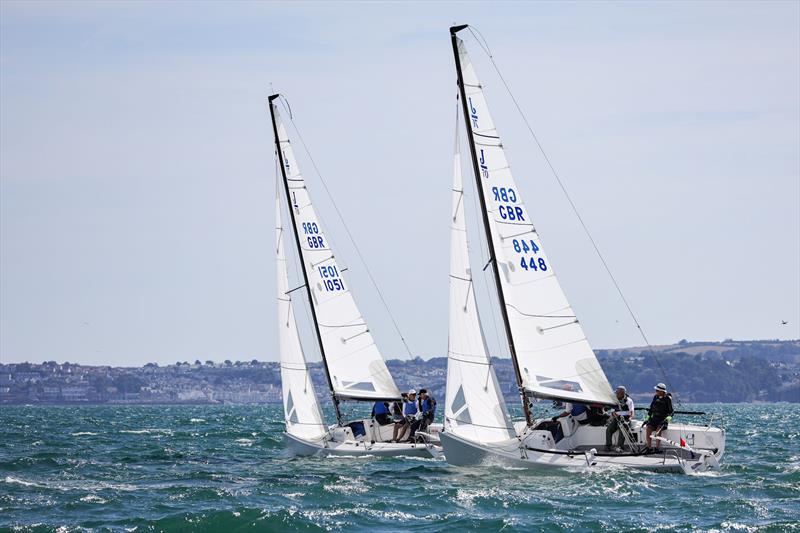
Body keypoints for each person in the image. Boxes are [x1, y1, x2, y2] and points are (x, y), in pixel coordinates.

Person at [644, 383, 674, 450]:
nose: (656, 392)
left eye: (657, 390)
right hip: (654, 419)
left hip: (662, 420)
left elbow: (671, 412)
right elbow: (651, 409)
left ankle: (657, 447)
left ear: (662, 391)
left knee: (658, 429)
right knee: (648, 428)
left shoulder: (667, 399)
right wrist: (647, 418)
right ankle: (649, 447)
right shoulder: (655, 397)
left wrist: (667, 419)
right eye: (656, 390)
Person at [605, 385, 634, 452]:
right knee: (609, 430)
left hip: (626, 420)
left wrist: (629, 419)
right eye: (616, 393)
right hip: (617, 419)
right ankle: (608, 445)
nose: (616, 394)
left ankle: (620, 446)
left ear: (622, 393)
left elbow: (631, 413)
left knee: (623, 429)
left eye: (617, 393)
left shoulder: (629, 401)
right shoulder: (615, 400)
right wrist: (613, 416)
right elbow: (612, 412)